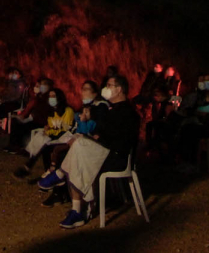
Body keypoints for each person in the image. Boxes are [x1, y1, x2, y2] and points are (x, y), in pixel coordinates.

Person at [36, 73, 141, 229]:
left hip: (116, 159)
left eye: (109, 86)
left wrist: (96, 132)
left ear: (119, 89)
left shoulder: (127, 112)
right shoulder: (114, 110)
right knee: (79, 148)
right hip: (105, 154)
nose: (106, 88)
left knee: (80, 147)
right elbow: (103, 133)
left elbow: (116, 140)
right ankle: (76, 210)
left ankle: (63, 181)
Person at [14, 87, 75, 179]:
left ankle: (30, 166)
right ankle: (35, 167)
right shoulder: (51, 111)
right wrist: (48, 131)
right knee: (41, 138)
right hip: (54, 135)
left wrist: (52, 130)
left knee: (44, 144)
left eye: (53, 96)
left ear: (59, 97)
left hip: (64, 136)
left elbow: (66, 128)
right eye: (50, 96)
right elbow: (50, 127)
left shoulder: (68, 110)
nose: (51, 98)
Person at [174, 72, 209, 174]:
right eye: (204, 80)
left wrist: (198, 110)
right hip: (205, 124)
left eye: (208, 80)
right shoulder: (203, 95)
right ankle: (185, 160)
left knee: (192, 131)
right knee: (186, 128)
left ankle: (192, 164)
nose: (205, 83)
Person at [6, 77, 54, 152]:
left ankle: (17, 146)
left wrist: (28, 118)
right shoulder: (39, 97)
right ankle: (13, 145)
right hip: (35, 119)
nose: (40, 87)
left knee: (23, 126)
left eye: (42, 85)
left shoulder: (48, 98)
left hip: (41, 122)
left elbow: (43, 112)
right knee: (16, 122)